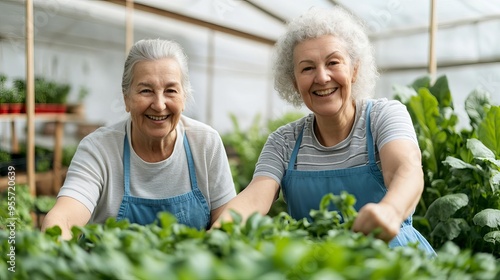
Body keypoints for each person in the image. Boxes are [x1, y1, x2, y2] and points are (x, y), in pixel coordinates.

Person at [215, 7, 436, 256]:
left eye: (333, 62)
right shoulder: (284, 141)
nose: (322, 77)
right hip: (319, 265)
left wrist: (391, 211)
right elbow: (255, 198)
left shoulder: (383, 116)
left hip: (392, 258)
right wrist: (218, 234)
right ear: (294, 82)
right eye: (307, 68)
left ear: (354, 70)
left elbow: (405, 170)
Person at [42, 39, 236, 239]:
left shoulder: (205, 143)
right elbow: (62, 219)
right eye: (146, 91)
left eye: (170, 91)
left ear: (184, 97)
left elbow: (227, 219)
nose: (159, 105)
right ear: (126, 99)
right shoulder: (99, 149)